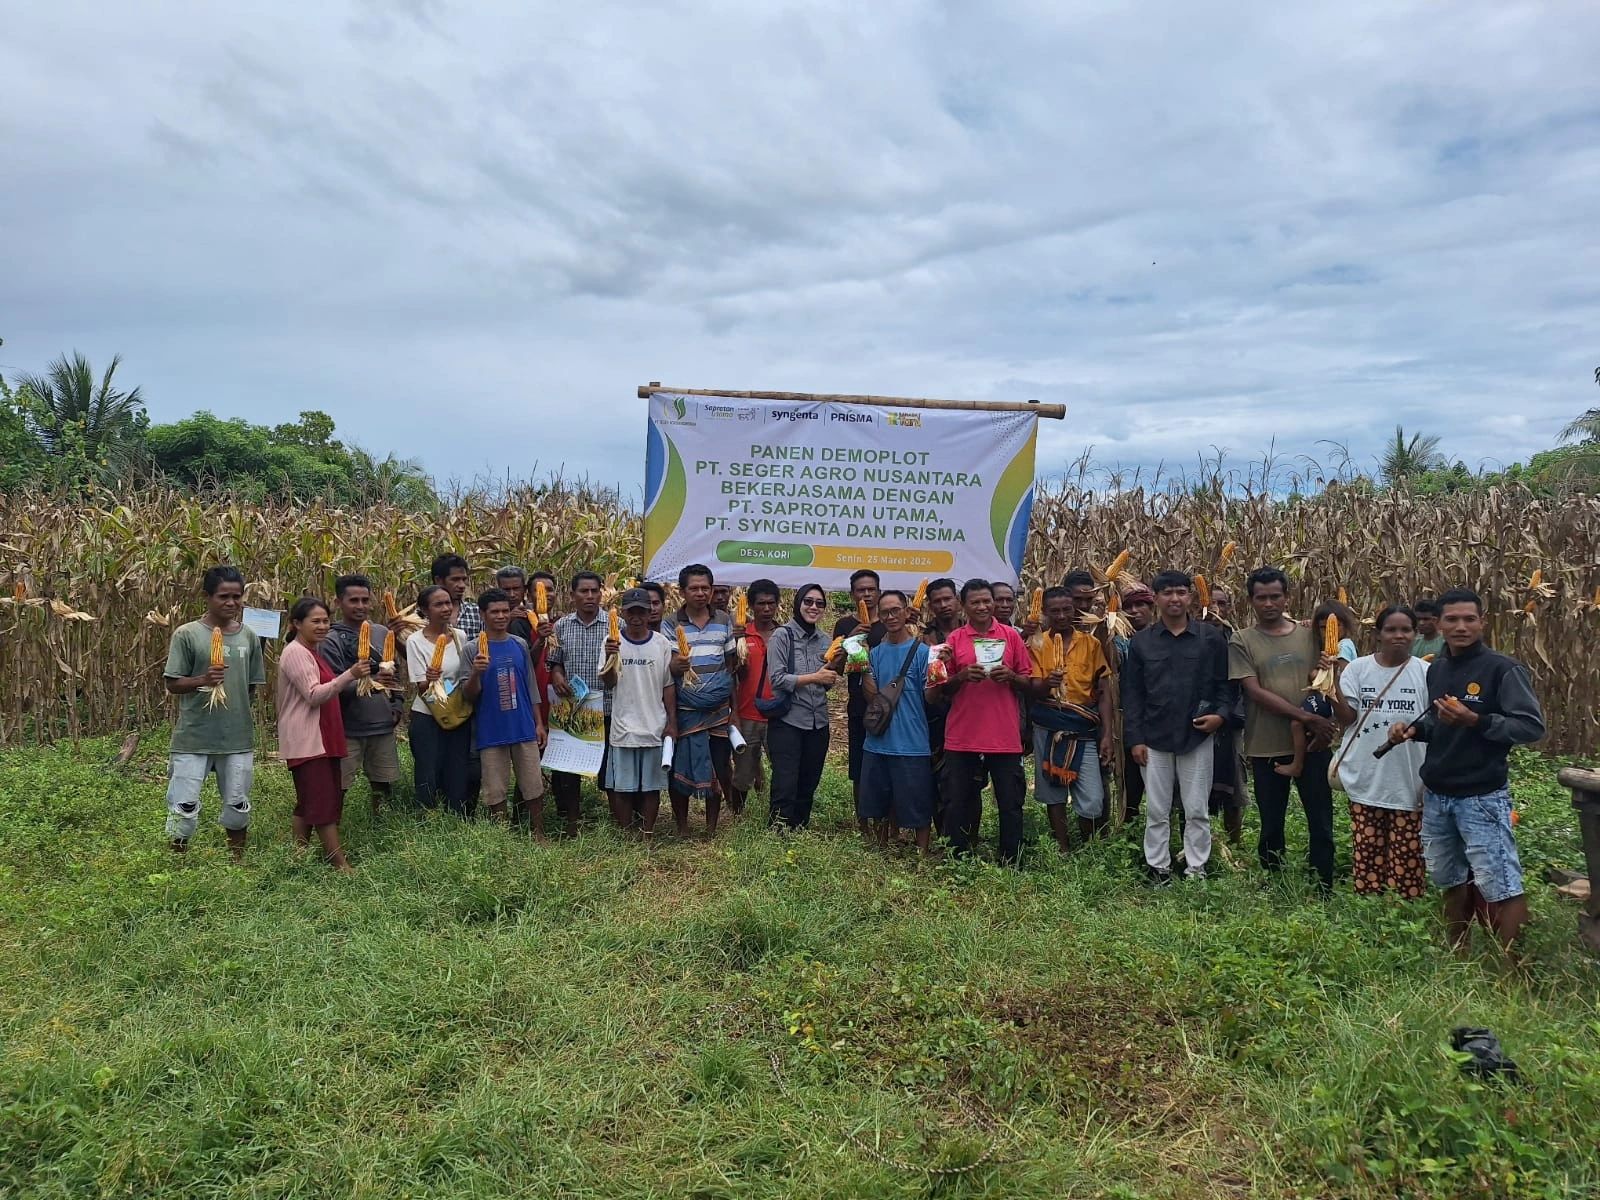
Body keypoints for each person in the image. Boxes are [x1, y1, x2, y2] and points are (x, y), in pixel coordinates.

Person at [1387, 588, 1546, 952]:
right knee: (1449, 878)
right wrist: (1413, 730)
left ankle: (1515, 972)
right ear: (1438, 624)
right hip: (1439, 794)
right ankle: (1459, 952)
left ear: (1482, 622)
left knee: (1501, 882)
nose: (1461, 626)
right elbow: (1440, 725)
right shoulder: (1438, 669)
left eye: (1469, 619)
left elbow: (1530, 727)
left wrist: (1475, 719)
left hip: (1481, 796)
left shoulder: (1502, 669)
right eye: (1452, 619)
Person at [1229, 567, 1341, 892]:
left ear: (1286, 597)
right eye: (1261, 597)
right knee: (1271, 822)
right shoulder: (1242, 640)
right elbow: (1254, 691)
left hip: (1316, 743)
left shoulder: (1310, 634)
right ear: (1250, 601)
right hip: (1266, 745)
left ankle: (1323, 884)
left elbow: (1330, 670)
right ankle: (1275, 882)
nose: (1268, 603)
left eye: (1275, 596)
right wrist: (1306, 718)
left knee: (1321, 820)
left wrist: (1320, 721)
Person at [1123, 571, 1230, 884]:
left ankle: (1196, 868)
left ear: (1190, 597)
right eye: (1167, 593)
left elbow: (1225, 685)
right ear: (1156, 598)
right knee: (1157, 809)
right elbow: (1133, 695)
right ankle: (1159, 868)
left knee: (1197, 808)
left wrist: (1220, 717)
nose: (1175, 599)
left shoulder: (1210, 638)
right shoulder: (1141, 643)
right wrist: (1135, 739)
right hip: (1154, 738)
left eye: (1181, 593)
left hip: (1196, 735)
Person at [161, 565, 266, 859]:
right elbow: (173, 683)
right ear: (207, 597)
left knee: (237, 803)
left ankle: (237, 861)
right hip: (194, 737)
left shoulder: (249, 637)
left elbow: (250, 687)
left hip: (236, 738)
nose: (231, 603)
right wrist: (202, 681)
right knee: (184, 805)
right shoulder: (187, 634)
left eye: (237, 596)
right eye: (223, 596)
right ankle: (176, 863)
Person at [930, 579, 1033, 864]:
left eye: (987, 600)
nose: (983, 606)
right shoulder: (954, 640)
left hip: (1004, 735)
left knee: (1010, 803)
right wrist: (961, 677)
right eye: (975, 602)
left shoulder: (1011, 637)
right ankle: (959, 857)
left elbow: (1028, 680)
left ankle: (1011, 859)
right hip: (963, 734)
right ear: (964, 606)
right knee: (957, 800)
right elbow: (942, 688)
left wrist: (1011, 677)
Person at [1332, 605, 1429, 898]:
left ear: (1414, 634)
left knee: (1408, 857)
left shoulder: (1427, 673)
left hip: (1409, 779)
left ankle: (1403, 914)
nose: (1398, 636)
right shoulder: (1359, 669)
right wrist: (1330, 685)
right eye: (1391, 630)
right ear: (1378, 634)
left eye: (1405, 630)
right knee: (1367, 852)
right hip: (1367, 775)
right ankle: (1370, 911)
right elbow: (1347, 718)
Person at [277, 597, 369, 871]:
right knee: (322, 802)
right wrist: (350, 674)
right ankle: (339, 864)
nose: (322, 626)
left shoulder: (312, 651)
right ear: (296, 624)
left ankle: (298, 856)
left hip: (321, 736)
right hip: (308, 738)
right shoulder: (296, 653)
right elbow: (314, 695)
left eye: (325, 621)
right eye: (314, 621)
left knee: (308, 801)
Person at [1027, 586, 1114, 853]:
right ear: (1045, 613)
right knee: (1052, 792)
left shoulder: (1091, 643)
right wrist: (1046, 684)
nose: (1062, 615)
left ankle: (1089, 847)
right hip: (1049, 722)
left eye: (1067, 609)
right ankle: (1063, 847)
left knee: (1092, 798)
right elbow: (1032, 687)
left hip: (1082, 726)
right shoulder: (1037, 643)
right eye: (1055, 611)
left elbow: (1103, 691)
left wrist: (1108, 734)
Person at [663, 564, 738, 836]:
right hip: (686, 708)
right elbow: (668, 670)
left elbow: (730, 669)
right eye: (694, 588)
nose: (700, 593)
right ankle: (682, 826)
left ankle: (711, 828)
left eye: (705, 587)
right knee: (680, 766)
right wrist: (677, 666)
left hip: (718, 709)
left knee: (719, 766)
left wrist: (734, 710)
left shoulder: (724, 620)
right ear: (682, 591)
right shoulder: (670, 623)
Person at [319, 574, 402, 817]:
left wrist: (396, 704)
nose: (360, 606)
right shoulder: (331, 639)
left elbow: (395, 672)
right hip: (348, 727)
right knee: (339, 786)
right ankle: (333, 828)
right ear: (338, 602)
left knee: (383, 782)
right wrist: (371, 683)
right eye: (353, 600)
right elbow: (331, 684)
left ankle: (382, 830)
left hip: (382, 724)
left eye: (365, 600)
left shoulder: (382, 632)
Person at [465, 588, 547, 830]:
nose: (500, 616)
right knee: (495, 787)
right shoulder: (472, 649)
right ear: (483, 614)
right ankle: (502, 837)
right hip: (491, 729)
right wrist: (476, 673)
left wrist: (539, 723)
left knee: (533, 784)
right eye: (494, 612)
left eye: (505, 611)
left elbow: (529, 684)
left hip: (522, 725)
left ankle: (538, 832)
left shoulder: (519, 644)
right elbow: (468, 694)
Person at [859, 590, 934, 853]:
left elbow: (931, 697)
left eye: (895, 610)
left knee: (917, 802)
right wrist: (863, 665)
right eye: (885, 612)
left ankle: (922, 855)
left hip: (912, 743)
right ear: (879, 616)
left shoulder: (924, 653)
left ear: (906, 612)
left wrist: (941, 674)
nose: (891, 616)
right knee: (878, 802)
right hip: (878, 742)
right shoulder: (876, 653)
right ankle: (881, 850)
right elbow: (872, 698)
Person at [600, 588, 677, 838]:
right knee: (623, 787)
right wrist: (612, 656)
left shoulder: (661, 643)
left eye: (641, 611)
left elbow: (668, 686)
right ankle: (626, 833)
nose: (636, 617)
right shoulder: (611, 642)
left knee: (651, 788)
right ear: (623, 613)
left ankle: (647, 833)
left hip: (654, 726)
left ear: (649, 612)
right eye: (631, 611)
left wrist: (671, 722)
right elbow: (609, 682)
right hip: (623, 728)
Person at [766, 583, 840, 829]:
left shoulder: (825, 640)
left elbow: (825, 684)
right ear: (798, 603)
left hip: (818, 721)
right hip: (788, 720)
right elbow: (777, 679)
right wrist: (815, 677)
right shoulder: (782, 636)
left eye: (819, 603)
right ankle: (778, 832)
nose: (813, 607)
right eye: (808, 601)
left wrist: (832, 672)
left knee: (809, 781)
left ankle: (799, 829)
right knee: (786, 782)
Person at [547, 571, 609, 834]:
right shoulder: (562, 626)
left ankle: (618, 817)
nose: (590, 596)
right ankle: (571, 820)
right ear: (572, 596)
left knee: (607, 767)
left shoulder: (614, 624)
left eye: (595, 591)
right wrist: (558, 675)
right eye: (584, 591)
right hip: (571, 706)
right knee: (567, 769)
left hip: (606, 705)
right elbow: (555, 660)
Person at [406, 584, 472, 815]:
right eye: (438, 604)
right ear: (424, 610)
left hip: (457, 712)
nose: (445, 608)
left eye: (448, 603)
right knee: (428, 768)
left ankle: (457, 814)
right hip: (428, 714)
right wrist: (429, 678)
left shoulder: (460, 636)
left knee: (457, 766)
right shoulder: (415, 641)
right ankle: (427, 816)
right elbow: (420, 687)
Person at [832, 568, 886, 834]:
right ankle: (863, 822)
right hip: (858, 704)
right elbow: (836, 669)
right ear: (852, 594)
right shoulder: (843, 626)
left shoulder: (890, 623)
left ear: (879, 591)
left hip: (888, 702)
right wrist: (850, 638)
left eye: (871, 589)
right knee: (859, 765)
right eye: (861, 590)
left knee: (885, 763)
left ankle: (885, 822)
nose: (866, 594)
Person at [731, 578, 781, 815]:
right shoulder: (742, 635)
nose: (767, 609)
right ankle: (738, 817)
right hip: (747, 713)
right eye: (761, 604)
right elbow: (732, 674)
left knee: (782, 767)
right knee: (742, 771)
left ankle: (777, 814)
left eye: (771, 603)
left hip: (778, 714)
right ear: (751, 605)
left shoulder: (785, 635)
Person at [919, 577, 962, 834]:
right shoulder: (926, 637)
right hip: (937, 716)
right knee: (938, 779)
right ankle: (945, 835)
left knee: (970, 781)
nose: (944, 605)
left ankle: (968, 835)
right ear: (931, 606)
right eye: (938, 601)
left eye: (948, 599)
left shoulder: (974, 631)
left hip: (971, 714)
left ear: (957, 600)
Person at [500, 565, 555, 731]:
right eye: (506, 589)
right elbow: (524, 663)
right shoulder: (518, 622)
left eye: (516, 589)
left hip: (553, 697)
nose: (512, 594)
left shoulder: (560, 623)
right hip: (526, 697)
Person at [432, 553, 480, 637]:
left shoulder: (477, 612)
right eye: (455, 579)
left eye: (464, 579)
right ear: (438, 580)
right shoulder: (422, 616)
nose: (462, 585)